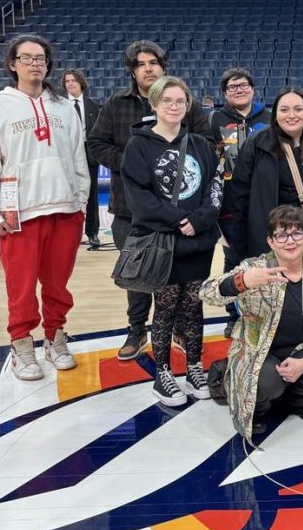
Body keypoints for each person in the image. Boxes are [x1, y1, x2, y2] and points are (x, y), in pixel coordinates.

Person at [0, 34, 90, 380]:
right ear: (12, 65)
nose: (35, 63)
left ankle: (56, 338)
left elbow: (77, 157)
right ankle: (21, 344)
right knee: (20, 287)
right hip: (19, 215)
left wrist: (80, 200)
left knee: (58, 285)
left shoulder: (65, 107)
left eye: (40, 58)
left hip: (65, 210)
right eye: (26, 58)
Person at [88, 40, 212, 361]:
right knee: (140, 273)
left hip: (180, 210)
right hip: (132, 208)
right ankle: (136, 329)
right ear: (132, 71)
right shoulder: (116, 104)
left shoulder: (186, 103)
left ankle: (180, 330)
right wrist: (135, 164)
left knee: (180, 276)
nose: (148, 69)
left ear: (163, 66)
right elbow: (96, 144)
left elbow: (207, 144)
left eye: (153, 63)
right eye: (141, 64)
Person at [199, 205, 303, 440]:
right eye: (282, 235)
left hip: (299, 350)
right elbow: (206, 293)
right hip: (260, 353)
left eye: (297, 233)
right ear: (271, 240)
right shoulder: (253, 268)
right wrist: (242, 281)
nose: (290, 241)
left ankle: (296, 402)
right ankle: (260, 408)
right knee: (266, 380)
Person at [122, 77, 223, 406]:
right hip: (163, 241)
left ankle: (194, 365)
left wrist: (199, 220)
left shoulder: (201, 145)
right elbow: (139, 197)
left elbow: (214, 189)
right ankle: (162, 374)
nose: (174, 106)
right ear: (154, 104)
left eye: (180, 101)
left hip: (198, 241)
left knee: (194, 305)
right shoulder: (139, 145)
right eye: (167, 100)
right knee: (165, 307)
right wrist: (178, 219)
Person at [230, 86, 303, 260]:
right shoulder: (256, 143)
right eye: (284, 110)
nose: (291, 115)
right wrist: (240, 245)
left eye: (298, 109)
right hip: (265, 237)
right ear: (275, 114)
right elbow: (239, 196)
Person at [208, 67, 272, 336]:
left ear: (253, 88)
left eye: (243, 85)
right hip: (229, 204)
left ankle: (268, 309)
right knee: (233, 259)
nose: (239, 89)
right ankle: (234, 314)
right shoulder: (214, 120)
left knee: (265, 256)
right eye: (233, 87)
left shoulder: (269, 117)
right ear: (225, 93)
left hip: (265, 200)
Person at [62, 69, 102, 249]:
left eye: (73, 80)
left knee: (91, 195)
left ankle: (92, 233)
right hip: (67, 153)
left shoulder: (93, 105)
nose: (70, 83)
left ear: (81, 83)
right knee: (67, 194)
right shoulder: (59, 105)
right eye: (67, 81)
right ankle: (68, 234)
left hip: (89, 153)